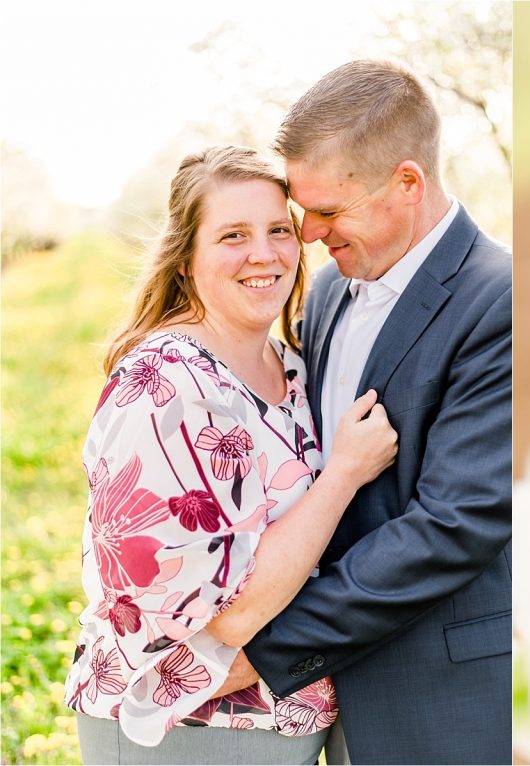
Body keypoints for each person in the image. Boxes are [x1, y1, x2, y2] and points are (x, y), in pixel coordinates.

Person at [65, 145, 398, 765]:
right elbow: (229, 614)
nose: (263, 254)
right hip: (181, 726)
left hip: (287, 717)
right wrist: (345, 473)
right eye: (233, 236)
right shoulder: (163, 385)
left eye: (278, 230)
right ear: (186, 260)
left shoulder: (292, 367)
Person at [226, 59, 512, 765]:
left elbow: (455, 524)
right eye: (304, 211)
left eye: (328, 211)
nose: (312, 235)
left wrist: (268, 648)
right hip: (329, 701)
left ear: (408, 183)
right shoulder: (325, 294)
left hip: (442, 702)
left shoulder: (501, 302)